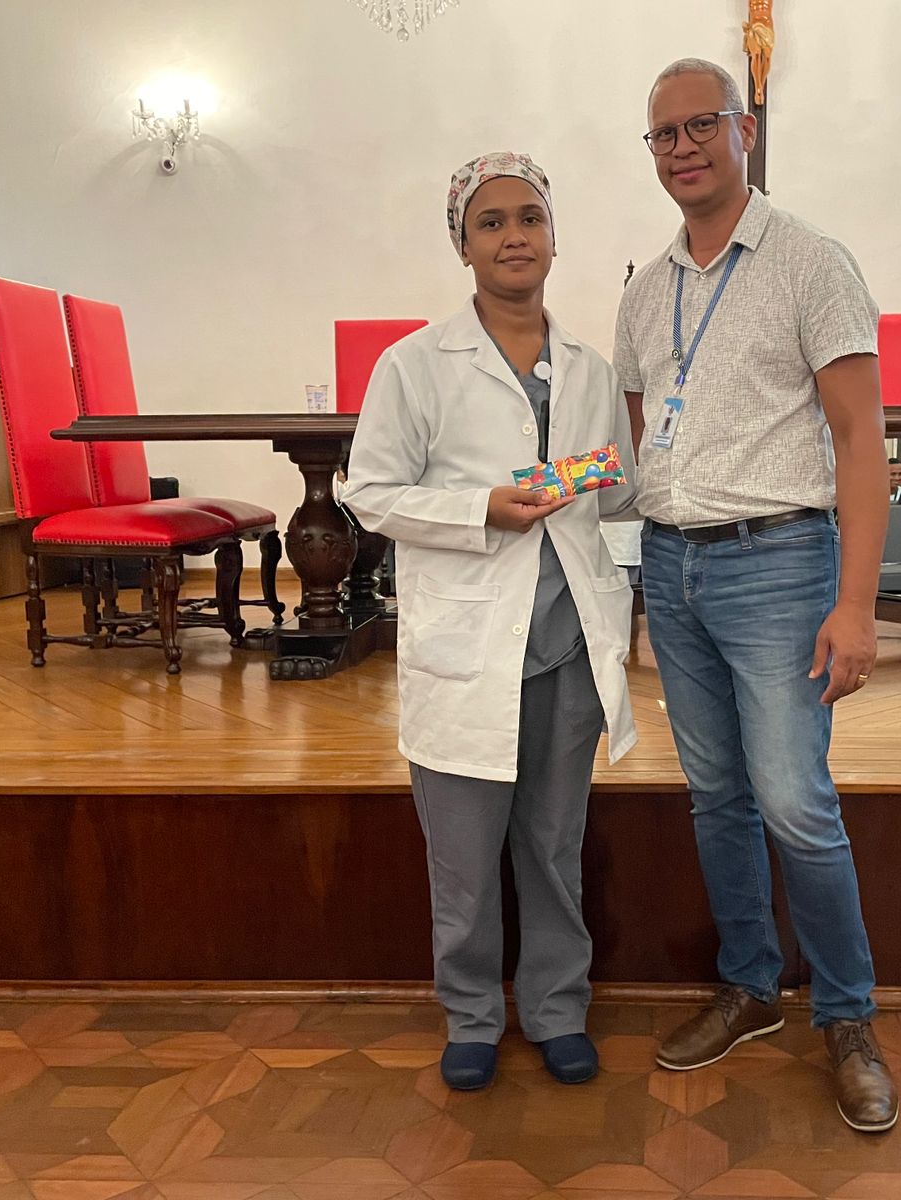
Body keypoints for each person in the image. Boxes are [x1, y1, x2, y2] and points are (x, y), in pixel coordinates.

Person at [614, 57, 898, 1133]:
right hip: (673, 563)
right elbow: (639, 441)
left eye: (703, 126)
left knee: (794, 802)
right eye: (664, 135)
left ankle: (848, 1016)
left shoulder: (809, 262)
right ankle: (749, 984)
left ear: (743, 131)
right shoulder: (646, 288)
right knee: (716, 797)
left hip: (778, 562)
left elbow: (860, 438)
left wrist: (856, 604)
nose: (683, 148)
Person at [342, 152, 639, 1094]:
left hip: (565, 645)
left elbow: (616, 483)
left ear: (554, 235)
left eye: (530, 218)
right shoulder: (414, 365)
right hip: (467, 650)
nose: (515, 237)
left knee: (552, 848)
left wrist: (604, 474)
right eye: (492, 222)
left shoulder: (590, 368)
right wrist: (480, 508)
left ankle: (557, 1010)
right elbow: (369, 493)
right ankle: (471, 1015)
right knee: (466, 861)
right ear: (463, 245)